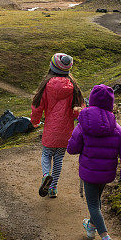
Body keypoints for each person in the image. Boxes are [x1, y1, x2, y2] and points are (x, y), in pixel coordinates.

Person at [67, 84, 121, 240]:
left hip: (89, 173)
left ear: (92, 101)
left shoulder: (83, 124)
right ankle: (90, 227)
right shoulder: (117, 129)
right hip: (106, 173)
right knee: (96, 201)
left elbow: (73, 149)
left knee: (94, 205)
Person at [30, 53, 83, 198]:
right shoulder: (73, 87)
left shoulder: (46, 85)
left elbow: (37, 106)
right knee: (59, 159)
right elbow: (79, 110)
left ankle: (46, 175)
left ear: (52, 68)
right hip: (66, 131)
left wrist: (34, 121)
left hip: (50, 130)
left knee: (46, 154)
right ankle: (53, 188)